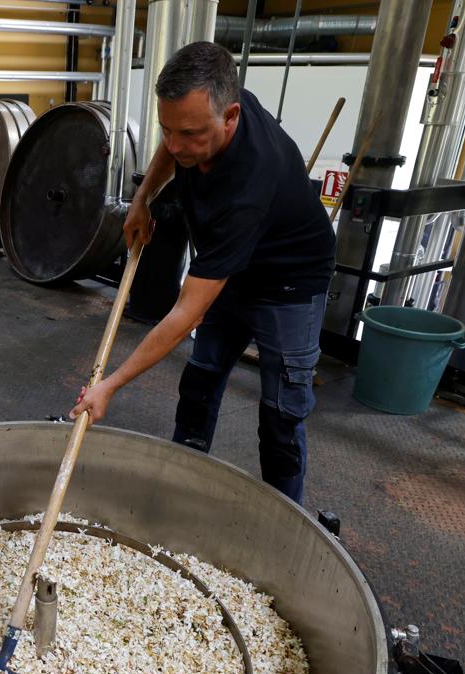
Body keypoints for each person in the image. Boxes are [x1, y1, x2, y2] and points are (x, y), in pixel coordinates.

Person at [70, 42, 335, 505]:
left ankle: (283, 518)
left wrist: (109, 385)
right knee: (201, 379)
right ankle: (180, 486)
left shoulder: (250, 184)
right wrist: (142, 199)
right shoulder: (208, 103)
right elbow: (175, 139)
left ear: (231, 116)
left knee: (280, 413)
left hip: (289, 283)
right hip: (228, 267)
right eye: (167, 129)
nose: (176, 145)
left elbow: (186, 314)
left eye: (190, 134)